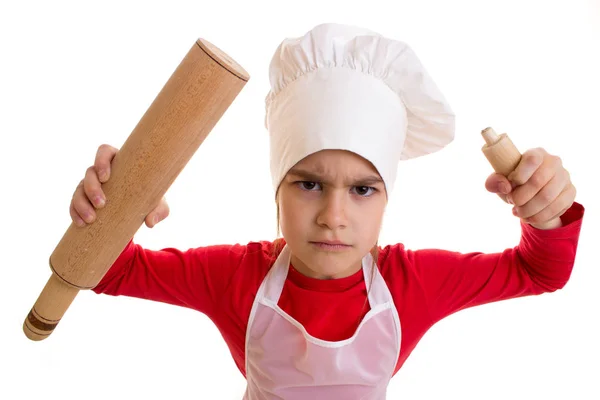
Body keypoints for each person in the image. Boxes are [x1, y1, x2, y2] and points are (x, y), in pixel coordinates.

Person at [69, 23, 584, 399]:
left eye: (363, 190)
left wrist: (544, 212)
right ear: (277, 189)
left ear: (387, 199)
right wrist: (118, 203)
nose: (333, 216)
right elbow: (109, 271)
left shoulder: (410, 284)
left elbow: (539, 272)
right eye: (309, 184)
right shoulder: (236, 277)